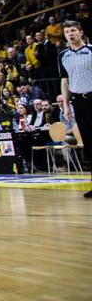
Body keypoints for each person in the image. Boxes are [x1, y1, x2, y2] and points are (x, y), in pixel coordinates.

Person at [57, 20, 91, 197]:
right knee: (88, 143)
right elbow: (65, 81)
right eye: (67, 32)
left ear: (80, 32)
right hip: (78, 101)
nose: (70, 34)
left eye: (73, 30)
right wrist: (65, 105)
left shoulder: (91, 51)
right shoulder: (63, 55)